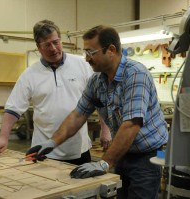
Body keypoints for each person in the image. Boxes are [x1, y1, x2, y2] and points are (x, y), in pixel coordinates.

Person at [25, 25, 168, 199]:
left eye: (91, 52)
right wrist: (52, 142)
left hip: (148, 157)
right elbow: (78, 115)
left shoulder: (136, 75)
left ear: (111, 50)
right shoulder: (97, 81)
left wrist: (103, 163)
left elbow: (131, 125)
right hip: (123, 152)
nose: (86, 59)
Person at [0, 20, 111, 165]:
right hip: (43, 150)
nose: (53, 48)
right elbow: (13, 108)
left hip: (79, 149)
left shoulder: (82, 65)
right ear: (38, 48)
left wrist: (105, 129)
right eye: (47, 45)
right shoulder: (29, 74)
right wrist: (3, 137)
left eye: (56, 42)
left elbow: (99, 99)